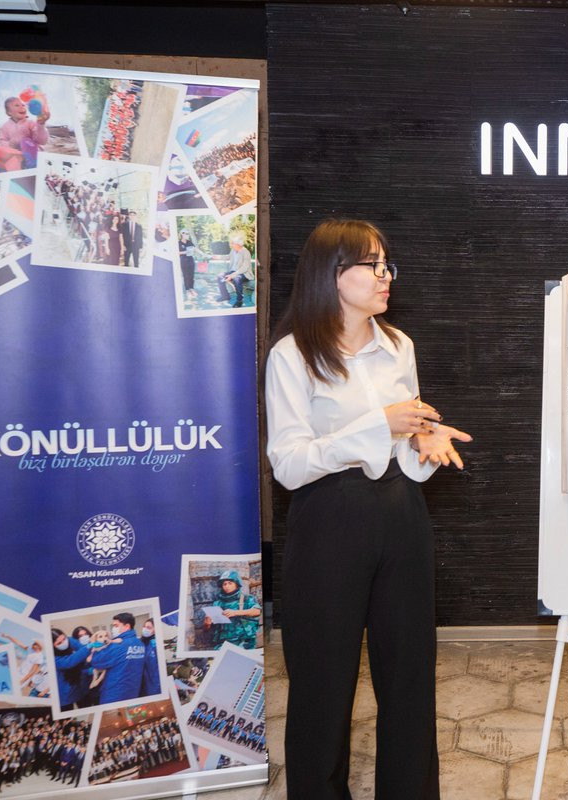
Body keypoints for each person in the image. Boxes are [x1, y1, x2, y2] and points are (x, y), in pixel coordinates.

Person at [265, 219, 472, 799]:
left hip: (402, 516)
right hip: (327, 523)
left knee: (409, 677)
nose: (386, 277)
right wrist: (377, 425)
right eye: (373, 265)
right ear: (333, 274)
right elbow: (289, 464)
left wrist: (425, 444)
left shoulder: (398, 346)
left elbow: (404, 447)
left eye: (387, 265)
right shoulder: (293, 355)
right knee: (322, 684)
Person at [90, 613, 148, 704]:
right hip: (133, 691)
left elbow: (96, 662)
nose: (113, 629)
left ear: (127, 626)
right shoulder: (140, 644)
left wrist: (93, 651)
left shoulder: (117, 645)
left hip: (115, 694)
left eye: (116, 626)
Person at [200, 569, 261, 649]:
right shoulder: (217, 604)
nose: (227, 586)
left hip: (243, 642)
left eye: (230, 583)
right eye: (224, 584)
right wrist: (207, 624)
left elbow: (257, 611)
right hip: (223, 643)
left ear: (236, 584)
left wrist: (235, 612)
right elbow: (207, 630)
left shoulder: (246, 598)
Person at [0, 96, 49, 169]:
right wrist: (9, 144)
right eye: (17, 105)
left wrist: (41, 125)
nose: (22, 107)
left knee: (26, 141)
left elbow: (42, 141)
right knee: (5, 159)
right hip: (17, 155)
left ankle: (33, 165)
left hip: (34, 154)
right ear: (9, 112)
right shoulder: (5, 126)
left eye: (23, 105)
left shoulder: (31, 123)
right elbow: (2, 141)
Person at [216, 232, 254, 308]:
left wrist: (232, 275)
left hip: (244, 273)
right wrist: (217, 257)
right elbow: (227, 257)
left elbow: (245, 268)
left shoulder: (245, 252)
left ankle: (240, 300)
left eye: (233, 243)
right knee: (220, 276)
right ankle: (225, 296)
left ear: (238, 244)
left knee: (236, 278)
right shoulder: (233, 251)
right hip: (233, 271)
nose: (231, 245)